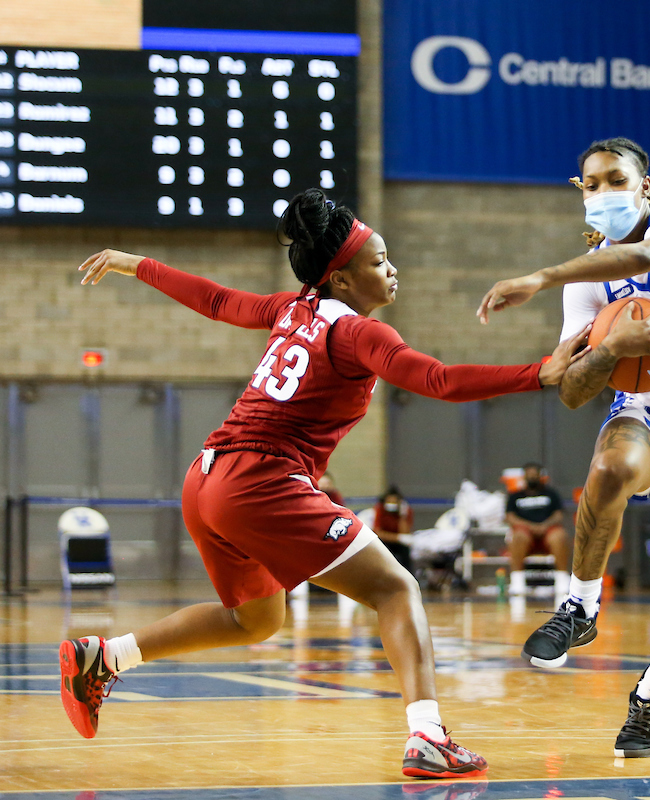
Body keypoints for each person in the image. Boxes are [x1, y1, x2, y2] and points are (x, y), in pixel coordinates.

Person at [60, 188, 586, 779]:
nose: (392, 268)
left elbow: (215, 300)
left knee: (256, 620)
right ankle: (429, 737)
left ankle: (104, 657)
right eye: (379, 261)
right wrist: (538, 372)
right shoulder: (361, 334)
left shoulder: (292, 309)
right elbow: (437, 380)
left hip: (206, 478)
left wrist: (136, 263)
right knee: (396, 588)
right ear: (341, 279)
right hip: (260, 482)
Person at [477, 135, 650, 758]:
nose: (603, 192)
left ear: (646, 187)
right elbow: (572, 391)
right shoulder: (588, 287)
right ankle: (579, 607)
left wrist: (541, 276)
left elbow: (642, 257)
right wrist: (607, 350)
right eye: (592, 184)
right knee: (607, 470)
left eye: (616, 179)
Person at [505, 462, 570, 597]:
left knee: (559, 536)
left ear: (541, 476)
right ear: (524, 476)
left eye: (535, 475)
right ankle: (517, 581)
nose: (532, 477)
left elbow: (558, 515)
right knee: (517, 536)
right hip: (525, 531)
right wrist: (530, 526)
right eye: (529, 475)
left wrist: (545, 525)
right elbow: (510, 517)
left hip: (548, 530)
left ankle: (562, 579)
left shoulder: (551, 494)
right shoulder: (515, 496)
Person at [374, 486, 414, 570]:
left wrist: (402, 516)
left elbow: (405, 534)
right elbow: (378, 532)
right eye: (389, 501)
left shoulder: (405, 511)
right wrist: (398, 538)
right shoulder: (380, 509)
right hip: (385, 541)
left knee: (405, 551)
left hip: (398, 545)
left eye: (394, 502)